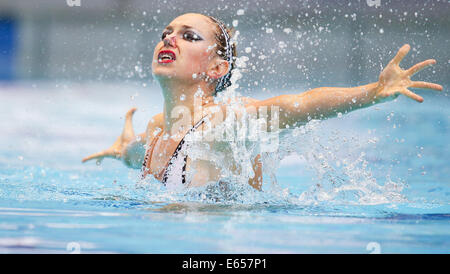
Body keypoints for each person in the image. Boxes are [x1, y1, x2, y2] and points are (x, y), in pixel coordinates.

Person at [82, 13, 442, 190]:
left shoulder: (224, 123)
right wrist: (125, 152)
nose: (170, 39)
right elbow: (137, 154)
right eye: (166, 33)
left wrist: (372, 93)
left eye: (188, 36)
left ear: (217, 67)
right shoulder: (157, 129)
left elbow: (298, 104)